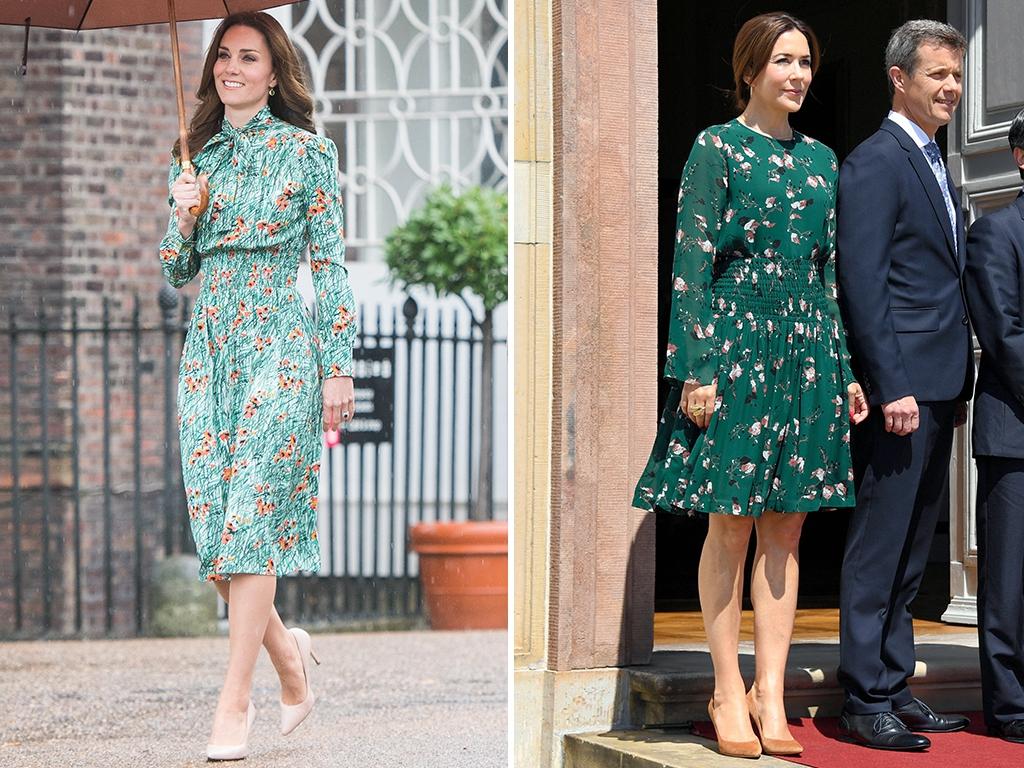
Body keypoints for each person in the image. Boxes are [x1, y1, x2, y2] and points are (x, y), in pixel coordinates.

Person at [632, 12, 869, 759]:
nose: (798, 75)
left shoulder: (825, 160)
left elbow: (831, 273)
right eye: (783, 61)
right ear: (750, 70)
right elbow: (691, 264)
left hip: (808, 348)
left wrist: (847, 368)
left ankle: (771, 689)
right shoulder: (716, 148)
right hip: (736, 346)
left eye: (805, 62)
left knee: (787, 524)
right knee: (729, 522)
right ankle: (725, 687)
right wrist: (695, 369)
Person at [158, 11, 356, 761]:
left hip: (279, 341)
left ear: (275, 73)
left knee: (248, 525)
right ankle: (288, 655)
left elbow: (329, 264)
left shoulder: (308, 154)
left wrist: (338, 364)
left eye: (249, 57)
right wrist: (185, 218)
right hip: (209, 351)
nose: (231, 67)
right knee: (218, 542)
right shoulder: (192, 158)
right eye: (224, 55)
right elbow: (176, 270)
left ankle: (232, 704)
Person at [835, 19, 973, 751]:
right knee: (880, 543)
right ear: (899, 78)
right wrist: (888, 384)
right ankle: (862, 697)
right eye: (937, 75)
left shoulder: (934, 161)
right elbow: (863, 285)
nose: (951, 87)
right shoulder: (875, 163)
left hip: (942, 381)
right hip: (902, 390)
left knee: (915, 546)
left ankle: (892, 681)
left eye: (956, 75)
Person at [963, 107, 1024, 746]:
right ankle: (1010, 708)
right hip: (1016, 436)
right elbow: (1005, 337)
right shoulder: (996, 234)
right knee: (1008, 582)